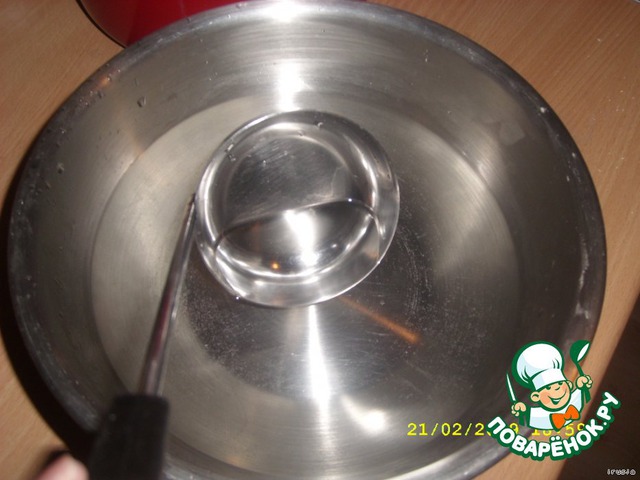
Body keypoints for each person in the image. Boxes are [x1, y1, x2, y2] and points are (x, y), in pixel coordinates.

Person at [510, 341, 593, 431]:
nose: (557, 390)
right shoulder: (539, 416)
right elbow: (525, 418)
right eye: (548, 388)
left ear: (569, 384)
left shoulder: (575, 400)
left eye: (560, 384)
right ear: (536, 397)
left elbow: (581, 394)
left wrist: (582, 385)